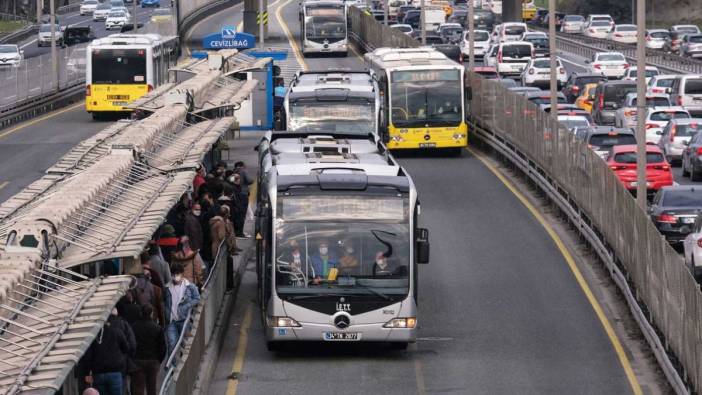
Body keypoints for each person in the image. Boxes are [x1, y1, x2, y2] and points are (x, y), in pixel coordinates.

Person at [82, 311, 133, 395]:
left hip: (98, 373)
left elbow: (88, 356)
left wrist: (87, 373)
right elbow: (126, 348)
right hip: (115, 372)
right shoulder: (117, 332)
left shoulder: (93, 335)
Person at [164, 262, 201, 355]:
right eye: (173, 274)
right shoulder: (167, 288)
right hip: (171, 321)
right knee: (172, 343)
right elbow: (164, 302)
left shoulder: (190, 287)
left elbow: (197, 298)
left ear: (182, 274)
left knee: (185, 343)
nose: (175, 276)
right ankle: (173, 366)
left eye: (177, 274)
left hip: (184, 320)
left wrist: (186, 306)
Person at [130, 304, 166, 395]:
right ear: (151, 313)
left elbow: (131, 344)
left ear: (141, 313)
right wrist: (158, 360)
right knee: (152, 388)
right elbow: (162, 347)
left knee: (138, 388)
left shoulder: (134, 327)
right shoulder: (157, 328)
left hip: (138, 360)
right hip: (153, 361)